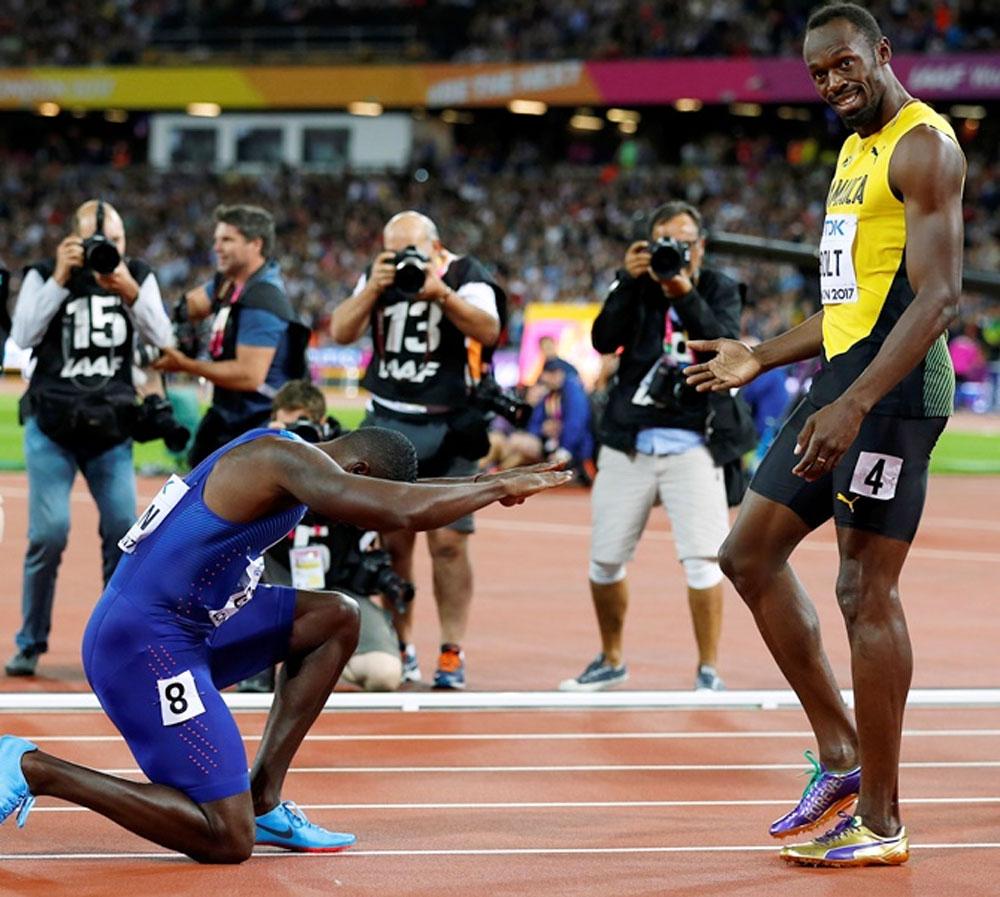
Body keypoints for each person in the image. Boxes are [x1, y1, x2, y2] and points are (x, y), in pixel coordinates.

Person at [0, 425, 571, 862]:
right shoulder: (279, 459)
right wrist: (498, 485)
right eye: (354, 496)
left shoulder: (296, 459)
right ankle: (36, 769)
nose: (350, 518)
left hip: (189, 627)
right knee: (227, 838)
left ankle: (264, 798)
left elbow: (396, 493)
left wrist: (473, 484)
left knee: (336, 617)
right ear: (360, 466)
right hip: (143, 646)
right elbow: (399, 507)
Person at [683, 3, 965, 868]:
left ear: (881, 53)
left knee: (861, 592)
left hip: (896, 390)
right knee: (747, 555)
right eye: (819, 74)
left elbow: (939, 298)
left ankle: (882, 818)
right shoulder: (852, 152)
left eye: (846, 64)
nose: (834, 83)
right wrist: (763, 356)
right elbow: (850, 304)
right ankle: (841, 757)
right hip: (842, 381)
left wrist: (853, 406)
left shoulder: (926, 145)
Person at [559, 200, 747, 693]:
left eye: (684, 243)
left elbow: (723, 343)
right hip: (630, 442)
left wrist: (681, 288)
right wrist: (625, 279)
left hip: (695, 441)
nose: (675, 251)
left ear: (700, 246)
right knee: (604, 558)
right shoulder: (634, 286)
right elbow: (603, 340)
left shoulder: (719, 286)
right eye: (666, 242)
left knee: (705, 559)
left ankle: (709, 670)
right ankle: (611, 657)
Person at [329, 210, 505, 690]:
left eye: (412, 250)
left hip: (449, 423)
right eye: (393, 251)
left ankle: (451, 650)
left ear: (436, 246)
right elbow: (340, 332)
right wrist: (371, 288)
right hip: (388, 421)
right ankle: (402, 644)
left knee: (449, 543)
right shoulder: (377, 275)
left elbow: (489, 330)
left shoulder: (466, 276)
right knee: (393, 544)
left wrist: (440, 293)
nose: (404, 259)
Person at [7, 199, 173, 677]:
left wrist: (130, 290)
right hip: (52, 426)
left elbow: (163, 339)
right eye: (96, 240)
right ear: (72, 241)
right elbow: (21, 337)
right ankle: (31, 641)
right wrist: (61, 277)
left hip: (111, 429)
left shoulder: (137, 276)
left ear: (126, 242)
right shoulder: (45, 273)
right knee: (49, 533)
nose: (107, 249)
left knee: (124, 531)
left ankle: (114, 643)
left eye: (116, 241)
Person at [238, 380, 404, 694]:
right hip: (277, 584)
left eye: (304, 427)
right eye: (286, 427)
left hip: (336, 586)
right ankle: (258, 655)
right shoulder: (256, 458)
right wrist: (266, 447)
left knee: (384, 675)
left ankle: (320, 653)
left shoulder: (351, 464)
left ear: (323, 426)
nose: (297, 437)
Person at [153, 204, 310, 467]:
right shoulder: (228, 284)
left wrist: (183, 364)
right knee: (197, 475)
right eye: (216, 239)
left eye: (227, 240)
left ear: (255, 244)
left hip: (259, 420)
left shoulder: (262, 299)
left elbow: (249, 376)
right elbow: (188, 306)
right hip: (228, 414)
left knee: (224, 498)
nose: (217, 247)